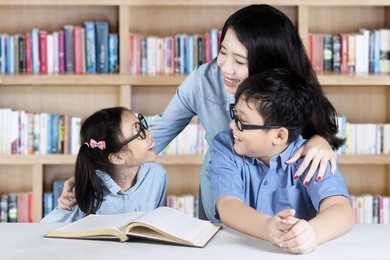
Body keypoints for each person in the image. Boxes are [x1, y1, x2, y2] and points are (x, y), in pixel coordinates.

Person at [58, 4, 341, 223]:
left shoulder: (290, 88)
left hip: (284, 206)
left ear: (269, 65)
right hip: (224, 195)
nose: (225, 68)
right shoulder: (204, 80)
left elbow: (310, 136)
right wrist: (95, 171)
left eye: (239, 61)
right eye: (223, 52)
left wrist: (319, 139)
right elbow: (154, 134)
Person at [210, 69, 354, 254]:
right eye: (234, 115)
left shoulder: (311, 156)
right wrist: (267, 227)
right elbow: (227, 205)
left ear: (279, 135)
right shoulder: (226, 145)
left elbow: (341, 210)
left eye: (242, 122)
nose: (232, 126)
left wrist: (311, 234)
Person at [41, 107, 167, 223]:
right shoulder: (88, 191)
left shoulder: (157, 175)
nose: (150, 133)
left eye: (142, 125)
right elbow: (43, 229)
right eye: (139, 132)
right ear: (117, 157)